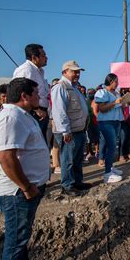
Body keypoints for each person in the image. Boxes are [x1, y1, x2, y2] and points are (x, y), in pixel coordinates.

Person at [0, 78, 49, 260]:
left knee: (20, 241)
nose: (40, 96)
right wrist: (26, 187)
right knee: (15, 244)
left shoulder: (22, 115)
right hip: (18, 193)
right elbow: (7, 158)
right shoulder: (11, 118)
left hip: (23, 190)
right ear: (24, 96)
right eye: (36, 93)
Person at [51, 61, 92, 194]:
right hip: (69, 131)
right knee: (68, 159)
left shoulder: (74, 88)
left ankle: (77, 182)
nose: (77, 74)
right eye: (74, 71)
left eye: (78, 71)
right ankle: (67, 185)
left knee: (77, 158)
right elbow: (59, 111)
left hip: (79, 129)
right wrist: (65, 131)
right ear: (65, 72)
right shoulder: (60, 87)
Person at [13, 43, 50, 140]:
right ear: (34, 57)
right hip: (33, 113)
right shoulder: (26, 70)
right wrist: (36, 109)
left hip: (41, 112)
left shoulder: (39, 71)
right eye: (43, 55)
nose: (46, 57)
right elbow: (21, 92)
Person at [94, 73, 124, 183]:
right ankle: (107, 173)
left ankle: (110, 167)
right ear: (110, 81)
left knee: (113, 146)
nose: (117, 83)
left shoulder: (116, 93)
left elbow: (118, 106)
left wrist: (125, 101)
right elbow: (102, 109)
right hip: (106, 122)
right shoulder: (102, 92)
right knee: (111, 146)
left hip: (116, 121)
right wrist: (115, 102)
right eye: (116, 81)